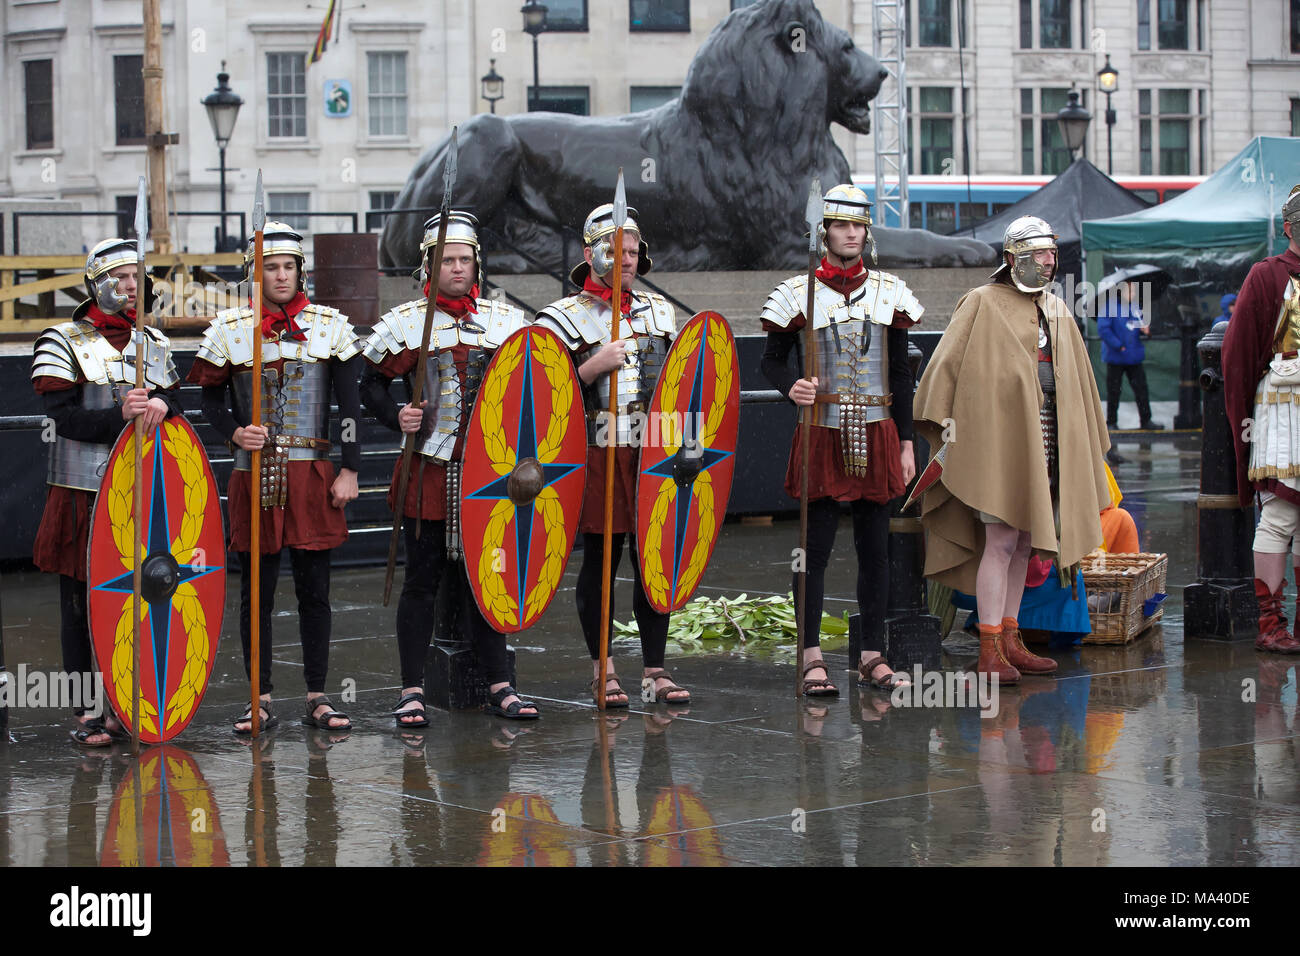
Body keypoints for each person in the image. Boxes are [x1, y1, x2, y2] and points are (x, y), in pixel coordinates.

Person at [914, 216, 1111, 684]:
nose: (1048, 262)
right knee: (1001, 541)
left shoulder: (1057, 309)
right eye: (1038, 255)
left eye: (1051, 254)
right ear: (1011, 259)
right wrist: (957, 430)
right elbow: (945, 370)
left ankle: (1010, 636)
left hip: (1049, 440)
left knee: (1027, 541)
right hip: (1000, 444)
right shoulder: (981, 303)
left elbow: (1077, 382)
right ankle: (988, 649)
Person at [360, 211, 539, 722]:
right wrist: (397, 413)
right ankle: (411, 689)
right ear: (429, 266)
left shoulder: (506, 322)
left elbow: (533, 385)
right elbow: (368, 384)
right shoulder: (405, 323)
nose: (456, 268)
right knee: (422, 579)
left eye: (464, 259)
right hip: (429, 467)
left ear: (476, 264)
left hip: (490, 471)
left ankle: (499, 684)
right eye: (446, 260)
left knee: (487, 579)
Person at [188, 222, 362, 733]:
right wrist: (235, 432)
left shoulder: (331, 327)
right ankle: (258, 697)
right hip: (253, 474)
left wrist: (350, 468)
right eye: (270, 267)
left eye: (288, 267)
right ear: (255, 273)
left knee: (315, 590)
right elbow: (210, 400)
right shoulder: (229, 330)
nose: (280, 276)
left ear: (300, 270)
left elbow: (349, 407)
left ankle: (318, 694)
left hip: (313, 474)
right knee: (256, 592)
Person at [758, 183, 921, 695]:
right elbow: (771, 359)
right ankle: (810, 656)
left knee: (876, 549)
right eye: (841, 225)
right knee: (814, 549)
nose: (851, 234)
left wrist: (907, 442)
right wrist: (793, 386)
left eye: (859, 226)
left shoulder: (890, 292)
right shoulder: (796, 293)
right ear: (824, 231)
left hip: (878, 429)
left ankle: (872, 653)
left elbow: (899, 372)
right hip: (821, 431)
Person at [534, 202, 689, 708]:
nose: (625, 257)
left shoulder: (660, 314)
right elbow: (542, 400)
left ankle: (655, 668)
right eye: (613, 249)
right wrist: (590, 367)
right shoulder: (560, 320)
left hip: (652, 452)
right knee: (602, 560)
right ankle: (603, 668)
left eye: (631, 249)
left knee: (654, 561)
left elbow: (678, 388)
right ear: (589, 253)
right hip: (598, 451)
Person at [31, 237, 181, 746]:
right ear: (99, 283)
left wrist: (163, 406)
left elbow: (175, 406)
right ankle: (84, 710)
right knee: (78, 602)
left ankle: (125, 701)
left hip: (141, 491)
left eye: (138, 277)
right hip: (81, 488)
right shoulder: (63, 340)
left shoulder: (153, 343)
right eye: (122, 277)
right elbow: (63, 418)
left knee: (133, 600)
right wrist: (119, 415)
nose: (132, 286)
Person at [1221, 184, 1300, 654]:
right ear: (1289, 228)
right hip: (1283, 406)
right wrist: (1244, 418)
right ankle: (1271, 625)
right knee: (1280, 514)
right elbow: (1240, 354)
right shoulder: (1267, 276)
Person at [1097, 278, 1163, 431]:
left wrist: (1145, 330)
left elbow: (1139, 323)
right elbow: (1104, 330)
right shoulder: (1108, 307)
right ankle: (1112, 422)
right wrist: (1118, 346)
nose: (1133, 293)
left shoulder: (1135, 307)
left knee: (1141, 389)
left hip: (1134, 356)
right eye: (1130, 290)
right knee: (1114, 391)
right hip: (1116, 357)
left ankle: (1146, 420)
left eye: (1134, 290)